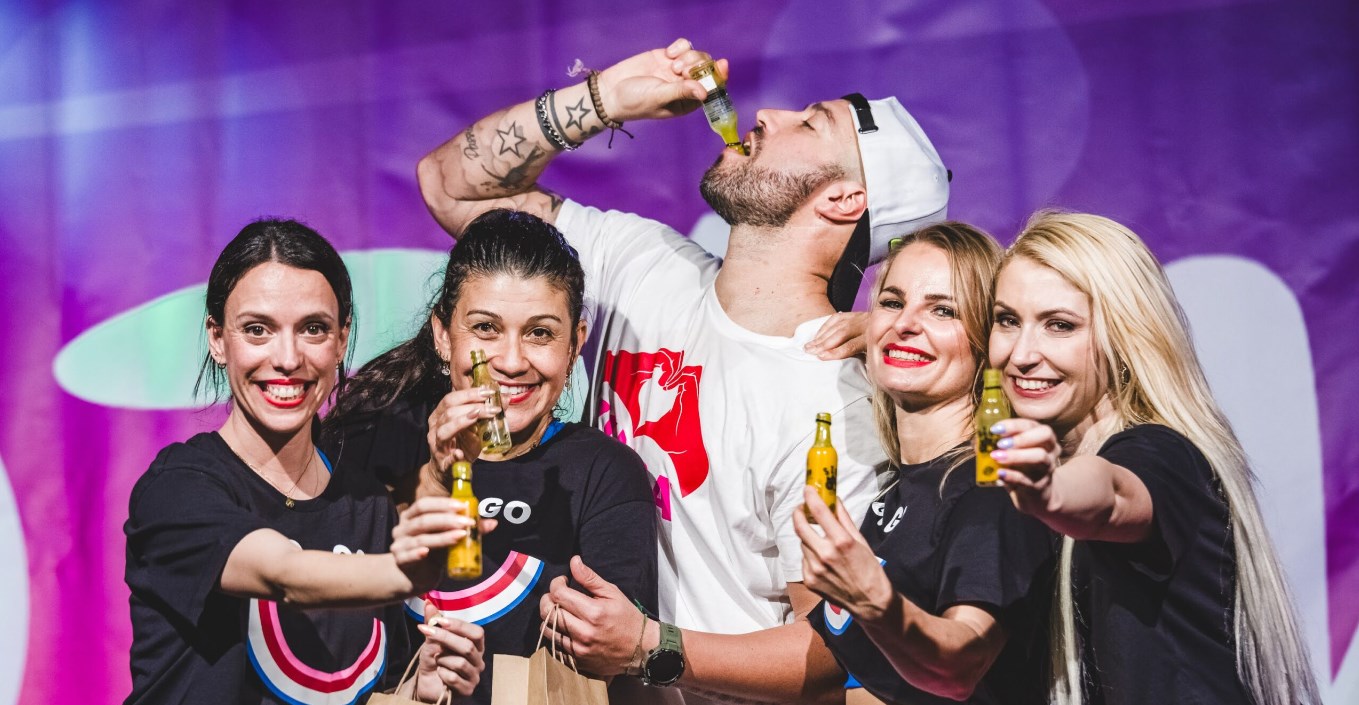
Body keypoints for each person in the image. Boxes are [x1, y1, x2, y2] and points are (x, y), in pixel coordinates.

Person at [417, 38, 949, 696]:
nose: (768, 115)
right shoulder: (644, 261)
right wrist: (605, 98)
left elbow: (830, 651)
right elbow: (448, 186)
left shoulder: (833, 401)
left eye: (812, 123)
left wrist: (651, 648)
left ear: (844, 199)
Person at [540, 224, 1056, 705]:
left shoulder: (990, 490)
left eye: (944, 310)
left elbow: (960, 664)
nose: (906, 323)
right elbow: (835, 664)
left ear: (992, 338)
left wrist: (649, 646)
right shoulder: (900, 493)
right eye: (892, 302)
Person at [124, 219, 484, 704]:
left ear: (341, 340)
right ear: (217, 338)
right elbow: (282, 574)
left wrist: (420, 691)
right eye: (258, 330)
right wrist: (403, 573)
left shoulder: (368, 505)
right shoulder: (178, 487)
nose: (288, 358)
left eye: (313, 329)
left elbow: (369, 690)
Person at [322, 209, 658, 705]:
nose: (512, 361)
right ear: (443, 335)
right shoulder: (369, 438)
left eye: (540, 333)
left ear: (575, 345)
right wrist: (435, 476)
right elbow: (315, 608)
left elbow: (614, 662)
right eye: (485, 328)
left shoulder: (605, 474)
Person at [988, 210, 1320, 705]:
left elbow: (1111, 495)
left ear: (1126, 337)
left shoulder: (1161, 454)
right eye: (1007, 320)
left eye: (1060, 325)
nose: (1022, 354)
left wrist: (1049, 492)